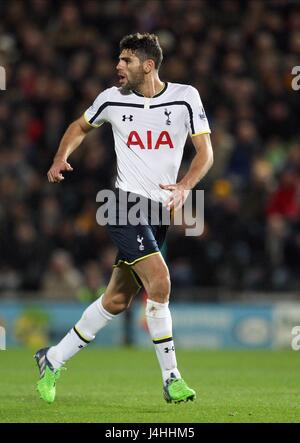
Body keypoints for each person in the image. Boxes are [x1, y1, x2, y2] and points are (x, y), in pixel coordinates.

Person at [34, 33, 213, 404]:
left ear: (148, 65)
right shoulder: (111, 99)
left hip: (158, 210)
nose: (118, 66)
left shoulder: (185, 97)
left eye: (126, 60)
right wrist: (59, 156)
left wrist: (185, 185)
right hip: (123, 205)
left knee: (115, 300)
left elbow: (205, 153)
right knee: (160, 282)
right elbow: (79, 127)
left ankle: (52, 359)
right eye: (118, 59)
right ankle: (172, 378)